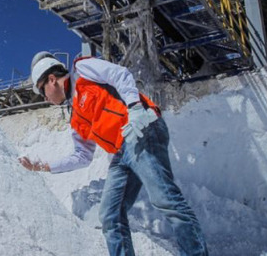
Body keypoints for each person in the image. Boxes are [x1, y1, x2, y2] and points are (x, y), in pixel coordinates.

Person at [19, 51, 207, 256]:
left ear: (52, 79)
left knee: (165, 199)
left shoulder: (82, 70)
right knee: (110, 214)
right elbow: (82, 156)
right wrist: (44, 166)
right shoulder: (75, 118)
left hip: (141, 129)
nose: (45, 99)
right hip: (122, 152)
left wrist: (135, 108)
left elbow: (119, 74)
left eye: (42, 91)